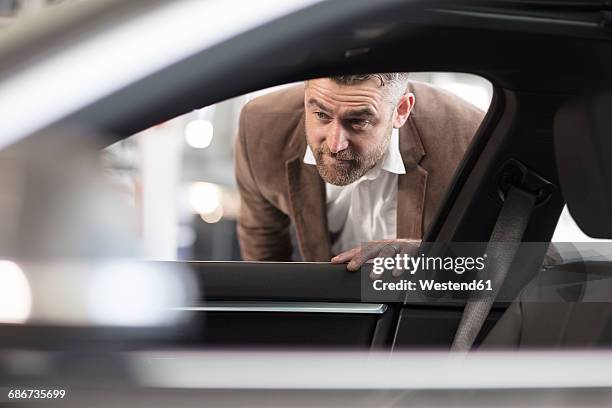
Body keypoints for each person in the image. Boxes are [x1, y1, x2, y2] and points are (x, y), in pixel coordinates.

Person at [234, 73, 484, 270]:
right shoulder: (260, 128)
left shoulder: (470, 139)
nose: (334, 144)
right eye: (321, 114)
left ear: (401, 111)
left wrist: (431, 256)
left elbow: (506, 263)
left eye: (358, 121)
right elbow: (264, 251)